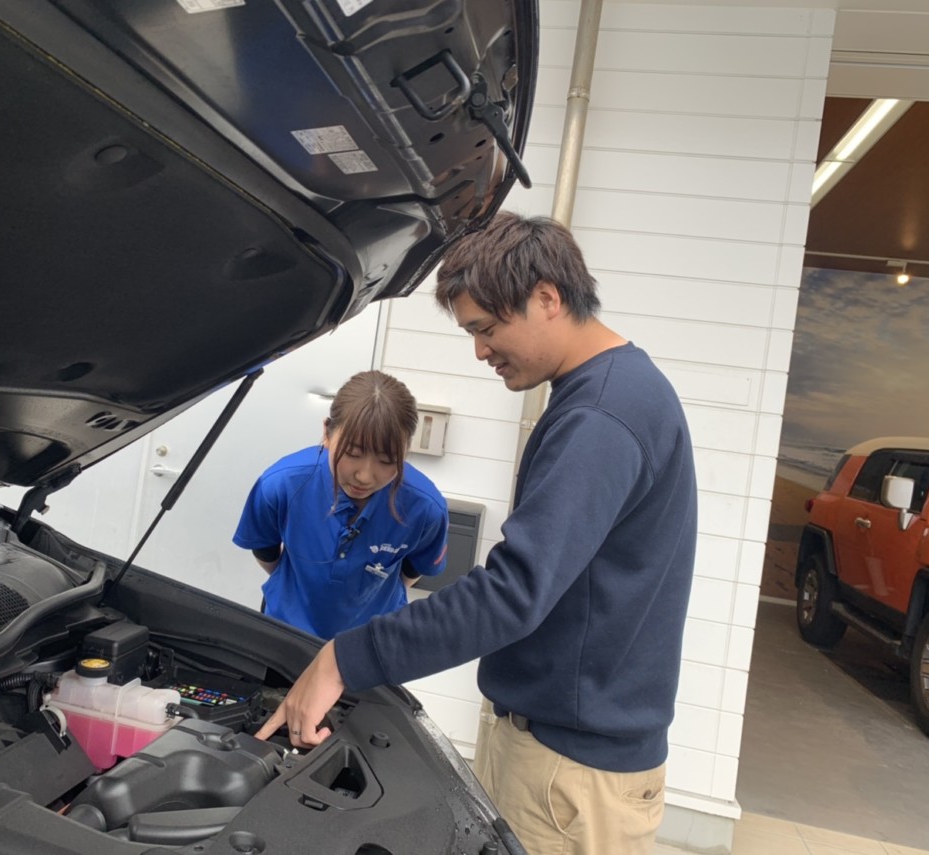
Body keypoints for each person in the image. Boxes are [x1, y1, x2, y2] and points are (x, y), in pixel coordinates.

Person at [254, 212, 698, 855]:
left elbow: (514, 592)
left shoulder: (602, 416)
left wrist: (347, 657)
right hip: (562, 750)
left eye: (485, 329)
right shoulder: (613, 393)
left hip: (568, 773)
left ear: (546, 297)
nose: (480, 351)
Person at [233, 370, 449, 640]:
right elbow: (265, 550)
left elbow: (413, 571)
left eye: (386, 460)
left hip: (371, 642)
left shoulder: (426, 508)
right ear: (327, 432)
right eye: (352, 453)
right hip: (285, 632)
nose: (365, 476)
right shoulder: (281, 484)